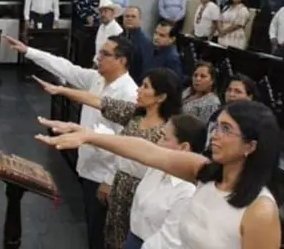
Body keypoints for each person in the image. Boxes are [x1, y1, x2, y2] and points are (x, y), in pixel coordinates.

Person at [36, 100, 282, 249]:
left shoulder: (259, 210)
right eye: (216, 126)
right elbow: (148, 152)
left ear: (251, 146)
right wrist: (88, 135)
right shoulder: (205, 173)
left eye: (227, 129)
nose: (215, 135)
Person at [2, 34, 138, 249]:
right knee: (91, 228)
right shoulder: (97, 78)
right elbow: (64, 67)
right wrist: (28, 51)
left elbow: (127, 143)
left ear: (122, 61)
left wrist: (110, 180)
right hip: (88, 166)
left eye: (105, 54)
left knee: (101, 234)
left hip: (104, 175)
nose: (98, 57)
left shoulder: (129, 93)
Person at [33, 68, 183, 249]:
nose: (138, 90)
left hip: (141, 189)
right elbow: (100, 102)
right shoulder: (135, 113)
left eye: (146, 87)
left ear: (161, 97)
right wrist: (62, 90)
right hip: (120, 184)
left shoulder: (167, 129)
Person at [126, 114, 207, 249]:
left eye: (164, 138)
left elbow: (170, 242)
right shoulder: (157, 169)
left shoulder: (187, 190)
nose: (158, 143)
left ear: (183, 147)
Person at [121, 7, 153, 85]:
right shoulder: (119, 37)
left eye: (133, 16)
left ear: (140, 19)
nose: (129, 19)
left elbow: (145, 68)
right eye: (127, 16)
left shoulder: (145, 42)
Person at [93, 0, 123, 65]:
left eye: (106, 11)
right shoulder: (101, 27)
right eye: (101, 12)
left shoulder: (117, 30)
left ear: (112, 13)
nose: (103, 14)